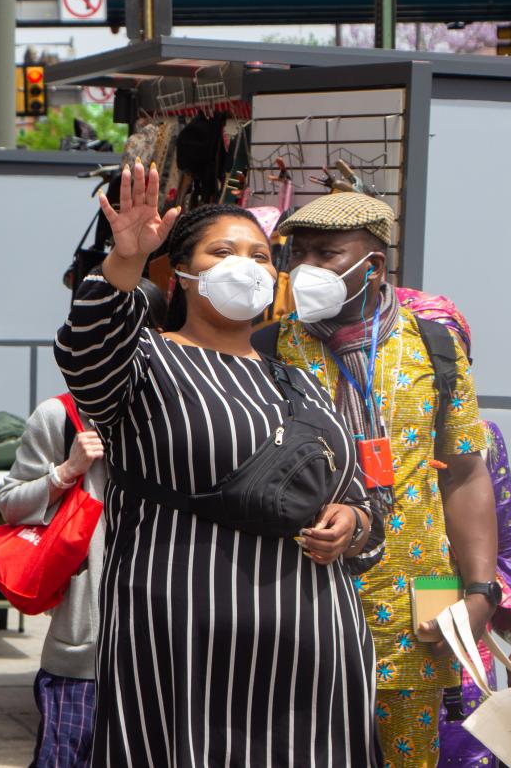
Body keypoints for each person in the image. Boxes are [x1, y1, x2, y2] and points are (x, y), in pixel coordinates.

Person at [56, 165, 382, 765]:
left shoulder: (302, 383)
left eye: (260, 255)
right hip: (184, 639)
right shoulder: (144, 362)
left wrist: (353, 524)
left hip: (312, 643)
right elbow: (87, 346)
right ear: (179, 274)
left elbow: (364, 500)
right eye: (223, 251)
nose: (246, 265)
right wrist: (125, 260)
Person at [273, 194, 499, 766]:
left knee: (409, 758)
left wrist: (481, 591)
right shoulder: (271, 348)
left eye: (327, 254)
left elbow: (467, 472)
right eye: (298, 255)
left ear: (372, 266)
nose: (308, 270)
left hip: (417, 605)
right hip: (301, 601)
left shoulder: (435, 346)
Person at [390, 288, 511, 768]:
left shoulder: (484, 439)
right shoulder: (353, 428)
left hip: (457, 626)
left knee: (463, 750)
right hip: (363, 625)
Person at [0, 395, 107, 767]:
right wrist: (66, 472)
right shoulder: (60, 417)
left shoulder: (180, 416)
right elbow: (10, 502)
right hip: (82, 656)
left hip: (161, 650)